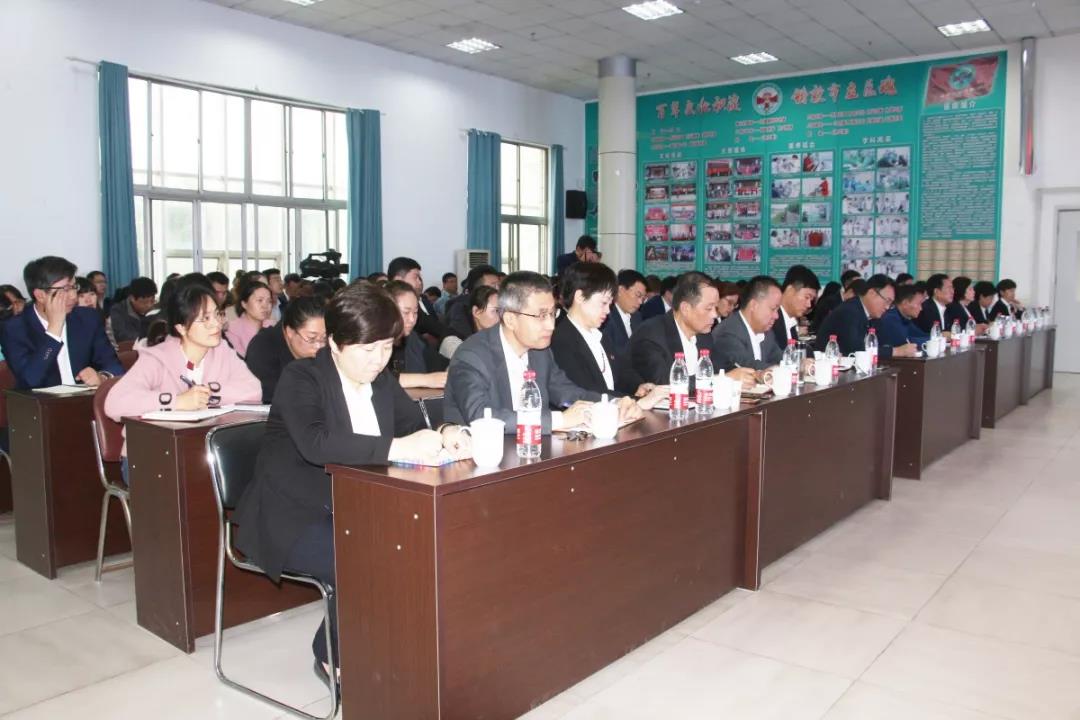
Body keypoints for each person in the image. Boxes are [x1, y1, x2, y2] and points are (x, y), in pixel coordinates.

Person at [232, 282, 471, 686]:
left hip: (355, 505)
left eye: (387, 347)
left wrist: (446, 431)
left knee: (424, 543)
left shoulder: (380, 379)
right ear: (336, 343)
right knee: (371, 556)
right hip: (294, 512)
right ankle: (332, 655)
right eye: (368, 349)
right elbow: (317, 444)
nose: (379, 359)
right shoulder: (302, 377)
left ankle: (402, 644)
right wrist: (396, 447)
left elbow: (414, 425)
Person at [444, 271, 639, 433]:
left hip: (534, 451)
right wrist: (560, 420)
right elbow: (481, 416)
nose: (551, 325)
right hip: (480, 458)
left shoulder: (540, 351)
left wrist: (612, 403)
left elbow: (567, 392)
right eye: (541, 316)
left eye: (552, 314)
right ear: (510, 319)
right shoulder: (472, 356)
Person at [104, 280, 262, 479]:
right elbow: (115, 403)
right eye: (205, 319)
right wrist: (177, 401)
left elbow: (254, 389)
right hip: (149, 457)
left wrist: (206, 394)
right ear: (181, 327)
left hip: (201, 452)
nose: (216, 324)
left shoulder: (222, 350)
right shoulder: (157, 358)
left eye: (217, 314)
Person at [1, 256, 123, 389]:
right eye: (65, 289)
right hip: (42, 401)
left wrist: (103, 376)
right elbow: (30, 380)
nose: (73, 296)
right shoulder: (14, 329)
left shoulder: (88, 318)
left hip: (86, 398)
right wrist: (54, 331)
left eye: (74, 287)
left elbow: (114, 365)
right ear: (40, 295)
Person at [631, 272, 755, 391]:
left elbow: (724, 367)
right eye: (709, 308)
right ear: (685, 308)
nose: (714, 314)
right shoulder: (651, 335)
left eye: (716, 307)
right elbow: (665, 386)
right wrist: (722, 380)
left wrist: (755, 374)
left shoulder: (703, 335)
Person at [551, 263, 655, 398]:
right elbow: (587, 391)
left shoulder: (599, 335)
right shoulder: (562, 340)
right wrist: (634, 401)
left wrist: (639, 386)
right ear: (580, 297)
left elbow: (620, 372)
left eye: (610, 304)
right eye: (604, 303)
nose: (608, 310)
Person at [245, 296, 326, 403]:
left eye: (324, 338)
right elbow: (275, 398)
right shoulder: (262, 349)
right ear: (290, 332)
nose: (319, 346)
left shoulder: (324, 346)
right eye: (312, 338)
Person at [816, 274, 916, 358]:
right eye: (887, 301)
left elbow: (882, 343)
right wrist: (896, 351)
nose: (887, 307)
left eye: (891, 304)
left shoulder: (872, 316)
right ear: (872, 293)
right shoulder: (849, 311)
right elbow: (856, 350)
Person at [712, 275, 784, 372]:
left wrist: (797, 364)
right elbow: (748, 367)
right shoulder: (727, 332)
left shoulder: (767, 332)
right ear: (753, 305)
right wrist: (784, 370)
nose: (776, 316)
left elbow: (780, 359)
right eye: (773, 309)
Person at [384, 281, 448, 389]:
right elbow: (377, 380)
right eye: (406, 312)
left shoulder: (413, 339)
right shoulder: (373, 343)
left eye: (415, 312)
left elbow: (441, 363)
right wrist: (427, 380)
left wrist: (450, 369)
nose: (412, 319)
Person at [387, 257, 447, 342]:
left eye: (414, 312)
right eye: (416, 278)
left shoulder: (416, 307)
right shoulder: (380, 311)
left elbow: (438, 328)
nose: (420, 282)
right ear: (399, 280)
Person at [444, 264, 500, 340]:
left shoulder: (498, 304)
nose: (498, 290)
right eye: (493, 286)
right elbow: (464, 338)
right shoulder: (459, 307)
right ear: (478, 288)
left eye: (499, 286)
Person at [599, 269, 647, 356]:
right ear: (620, 290)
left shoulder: (637, 316)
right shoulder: (606, 316)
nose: (640, 302)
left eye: (643, 298)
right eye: (638, 295)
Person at [771, 265, 819, 349]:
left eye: (811, 300)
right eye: (807, 297)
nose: (809, 305)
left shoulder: (790, 322)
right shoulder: (771, 320)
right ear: (790, 290)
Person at [226, 279, 275, 358]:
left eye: (269, 301)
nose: (265, 306)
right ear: (244, 304)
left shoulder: (273, 326)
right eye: (260, 300)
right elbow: (240, 361)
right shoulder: (233, 330)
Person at [876, 284, 930, 349]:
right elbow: (906, 342)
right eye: (919, 304)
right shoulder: (890, 318)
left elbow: (920, 335)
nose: (921, 308)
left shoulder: (905, 318)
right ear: (905, 303)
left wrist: (937, 338)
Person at [810, 269, 860, 335]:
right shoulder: (829, 302)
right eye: (858, 283)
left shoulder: (857, 302)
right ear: (847, 285)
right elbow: (822, 326)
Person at [109, 276, 158, 343]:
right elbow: (123, 335)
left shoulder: (155, 310)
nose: (149, 305)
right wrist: (148, 339)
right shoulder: (117, 311)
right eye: (144, 302)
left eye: (152, 301)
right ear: (132, 298)